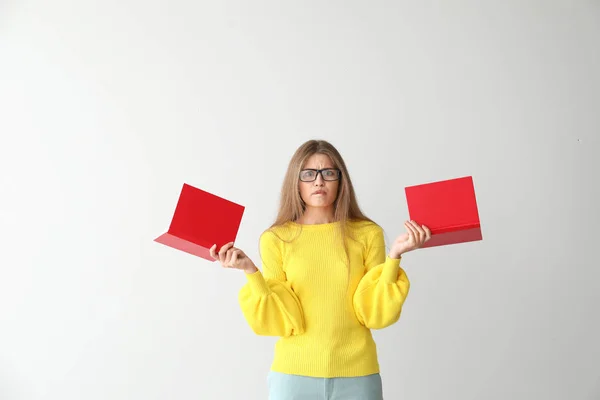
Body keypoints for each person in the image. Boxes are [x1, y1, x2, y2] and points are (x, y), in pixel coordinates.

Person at [209, 139, 431, 400]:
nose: (318, 181)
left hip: (357, 375)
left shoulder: (368, 234)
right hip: (293, 376)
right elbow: (279, 318)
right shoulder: (276, 238)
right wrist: (250, 272)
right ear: (296, 182)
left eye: (328, 173)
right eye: (308, 174)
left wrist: (394, 257)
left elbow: (374, 314)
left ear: (340, 180)